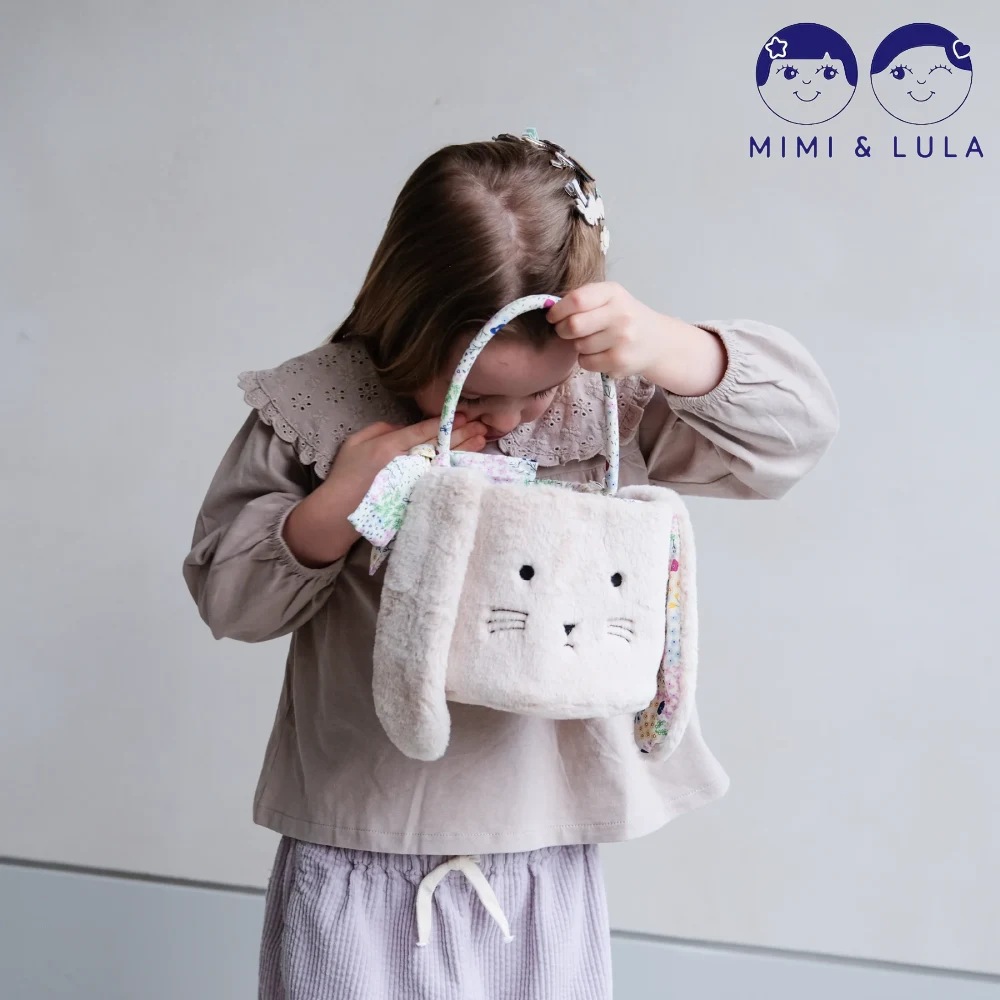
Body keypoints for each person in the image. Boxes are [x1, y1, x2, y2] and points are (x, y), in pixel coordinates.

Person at [183, 130, 839, 1000]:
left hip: (541, 855)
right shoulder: (322, 405)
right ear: (405, 325)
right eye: (482, 393)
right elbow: (231, 599)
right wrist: (343, 497)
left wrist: (668, 345)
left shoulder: (607, 403)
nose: (515, 418)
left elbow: (795, 434)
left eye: (538, 390)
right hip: (355, 847)